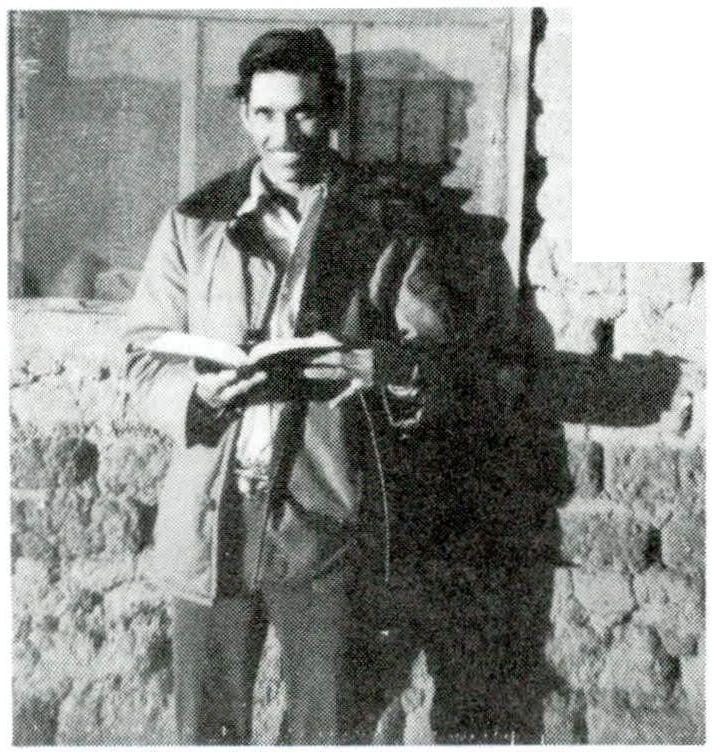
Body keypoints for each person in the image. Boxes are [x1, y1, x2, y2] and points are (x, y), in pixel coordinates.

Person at [124, 27, 453, 744]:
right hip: (213, 514)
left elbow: (437, 364)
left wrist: (381, 368)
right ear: (243, 115)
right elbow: (142, 362)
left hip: (326, 516)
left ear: (333, 111)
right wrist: (195, 396)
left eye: (304, 112)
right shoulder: (193, 223)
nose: (285, 135)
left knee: (326, 726)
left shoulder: (387, 224)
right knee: (206, 729)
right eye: (266, 114)